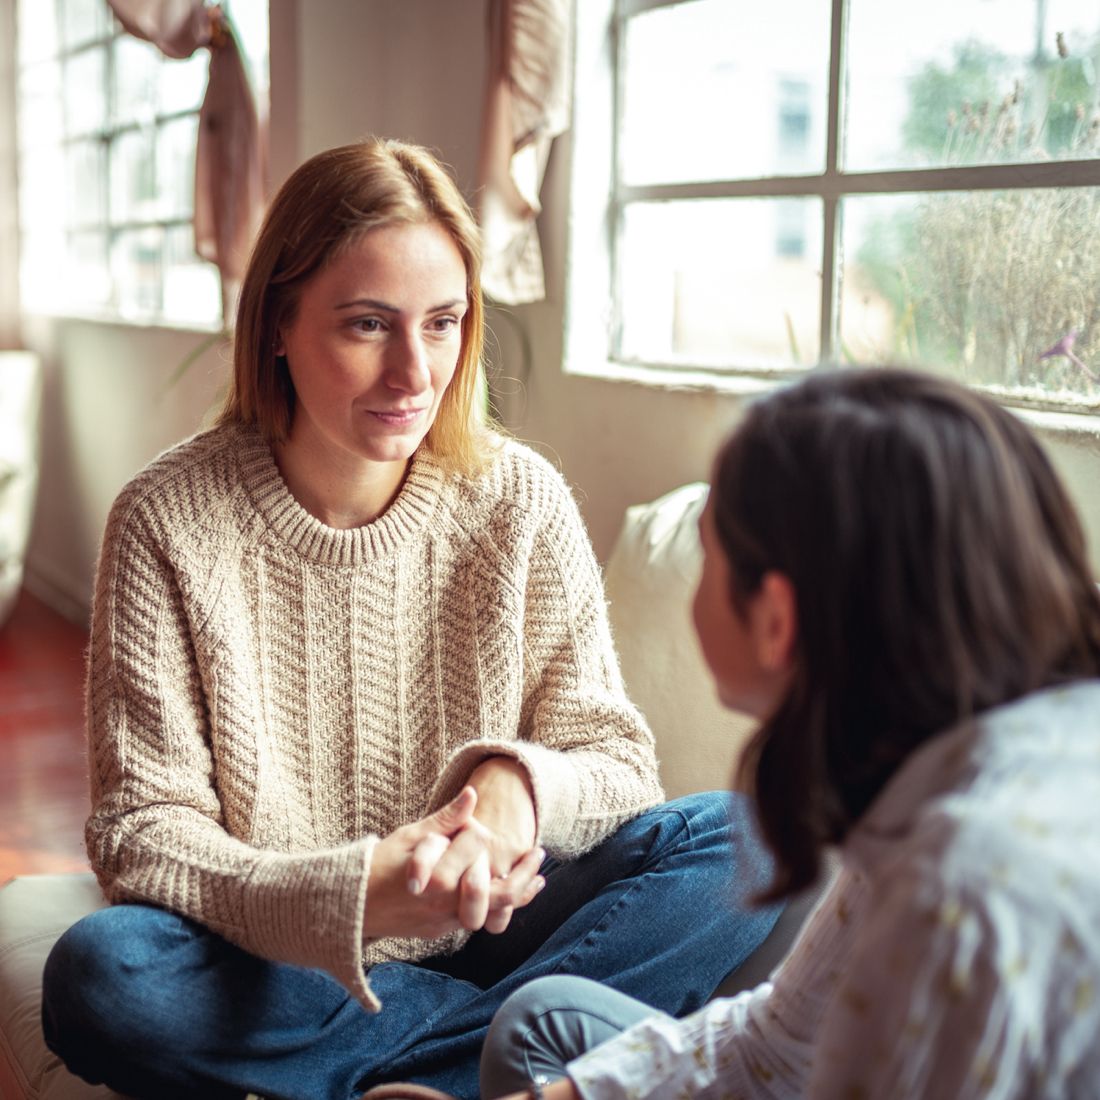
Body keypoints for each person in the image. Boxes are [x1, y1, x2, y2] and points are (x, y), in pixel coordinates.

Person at [39, 138, 781, 1100]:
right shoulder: (169, 519)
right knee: (103, 976)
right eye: (366, 325)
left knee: (748, 835)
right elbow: (145, 830)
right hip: (281, 962)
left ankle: (402, 1072)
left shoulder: (519, 499)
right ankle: (500, 1067)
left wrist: (515, 791)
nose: (413, 373)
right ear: (276, 323)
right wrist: (358, 893)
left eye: (442, 323)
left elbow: (613, 758)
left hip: (501, 930)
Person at [480, 367, 1100, 1099]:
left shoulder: (958, 892)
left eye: (707, 545)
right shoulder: (958, 772)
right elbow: (780, 1041)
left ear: (776, 620)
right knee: (541, 1024)